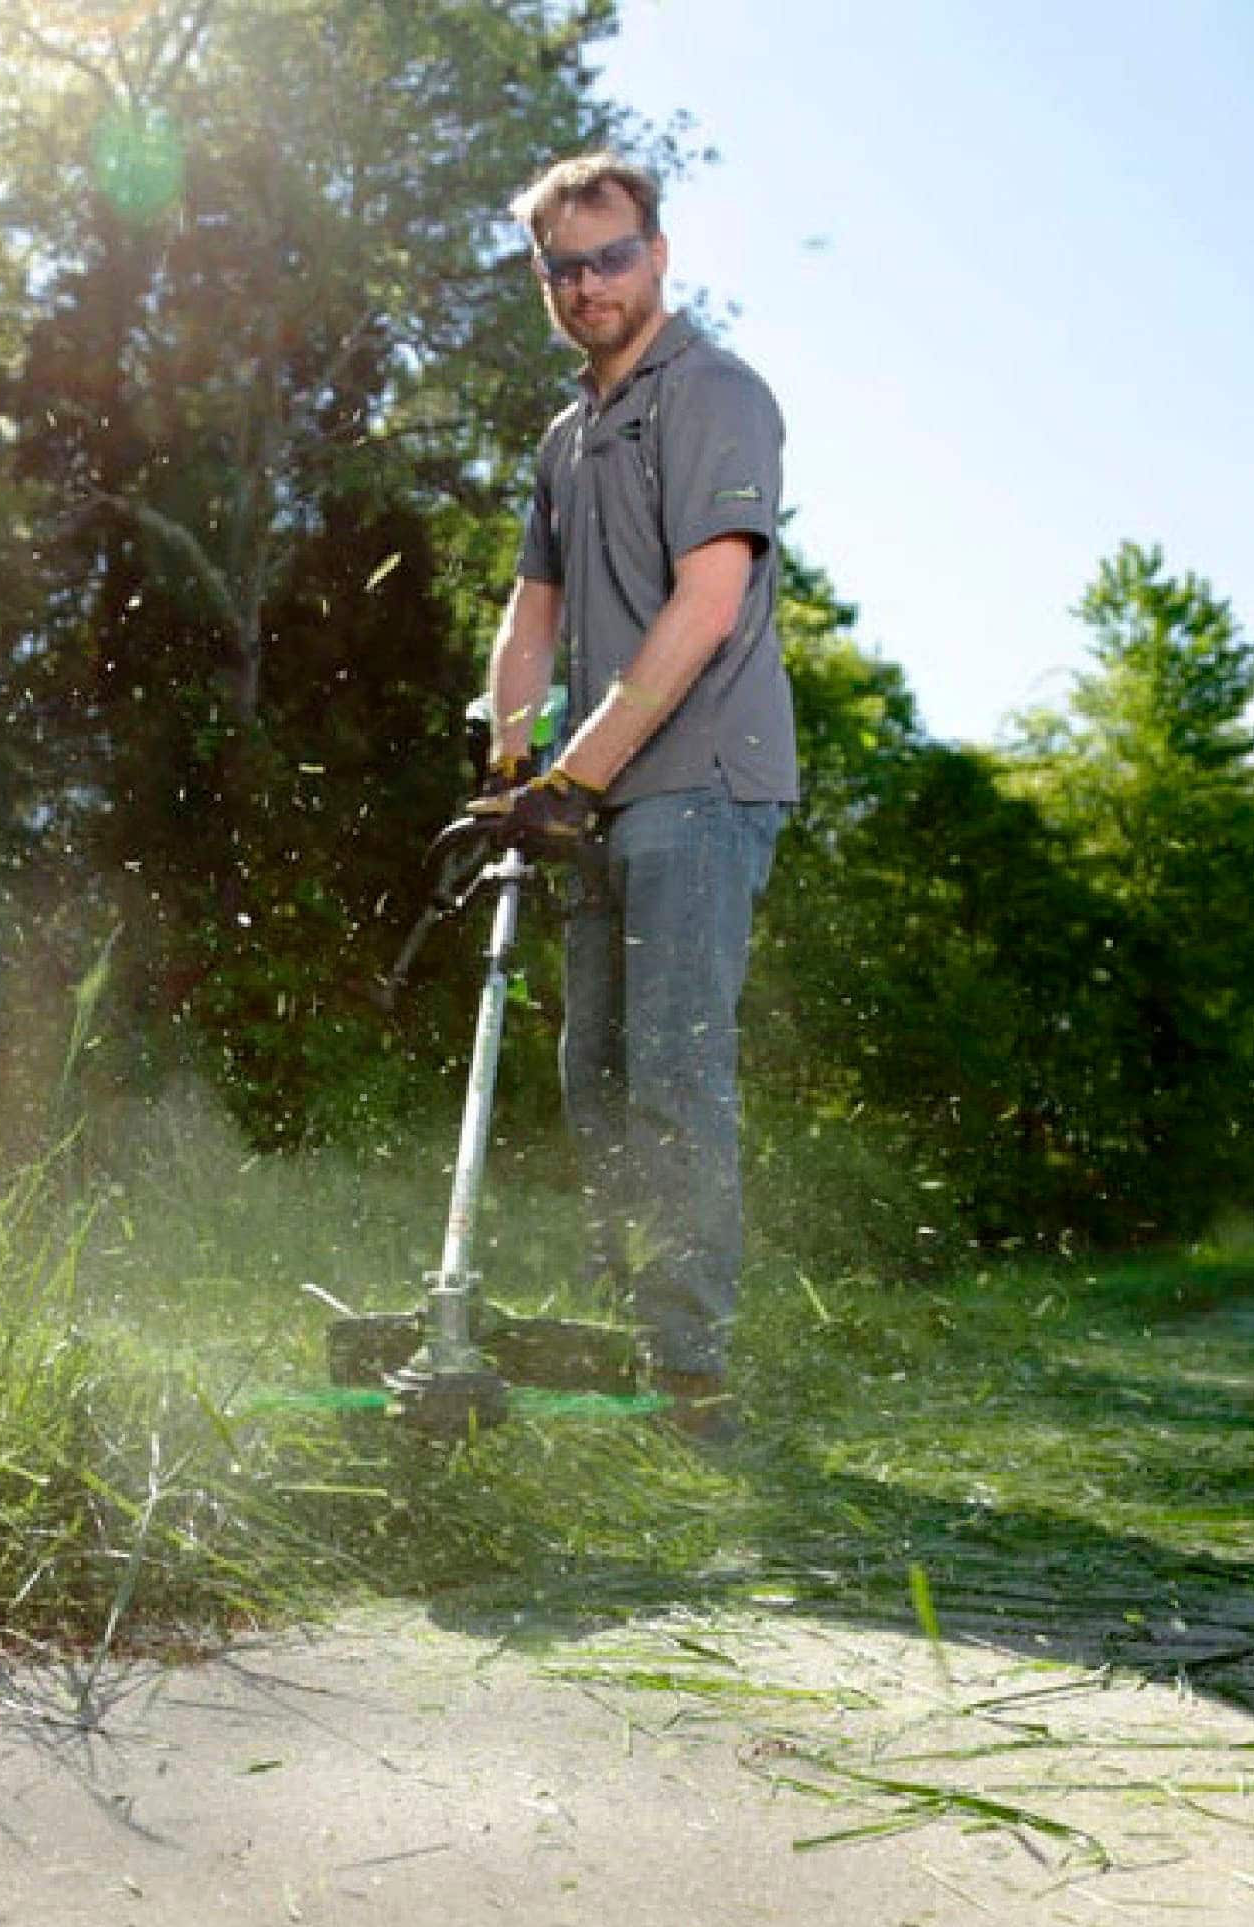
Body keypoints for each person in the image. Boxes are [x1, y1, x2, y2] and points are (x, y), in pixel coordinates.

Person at [476, 152, 798, 1442]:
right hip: (598, 797)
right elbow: (531, 613)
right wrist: (509, 767)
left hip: (703, 782)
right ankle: (629, 1337)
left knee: (668, 1072)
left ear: (658, 256)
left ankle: (690, 1377)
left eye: (611, 257)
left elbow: (709, 601)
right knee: (592, 1078)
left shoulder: (713, 393)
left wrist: (577, 770)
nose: (588, 283)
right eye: (563, 266)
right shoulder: (566, 436)